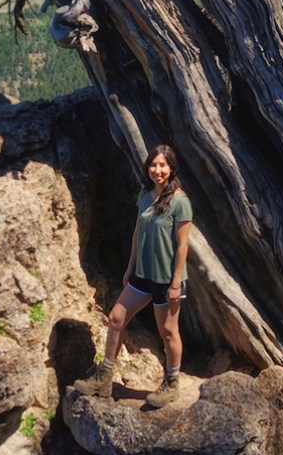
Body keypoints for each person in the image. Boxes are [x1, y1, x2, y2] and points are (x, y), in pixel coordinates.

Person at [73, 144, 193, 409]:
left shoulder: (180, 201)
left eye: (163, 165)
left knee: (168, 332)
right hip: (142, 273)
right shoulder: (145, 195)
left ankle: (171, 383)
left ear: (171, 168)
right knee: (116, 318)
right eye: (153, 164)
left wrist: (175, 283)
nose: (157, 170)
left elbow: (183, 246)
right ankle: (104, 378)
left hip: (166, 279)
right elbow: (138, 231)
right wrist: (130, 267)